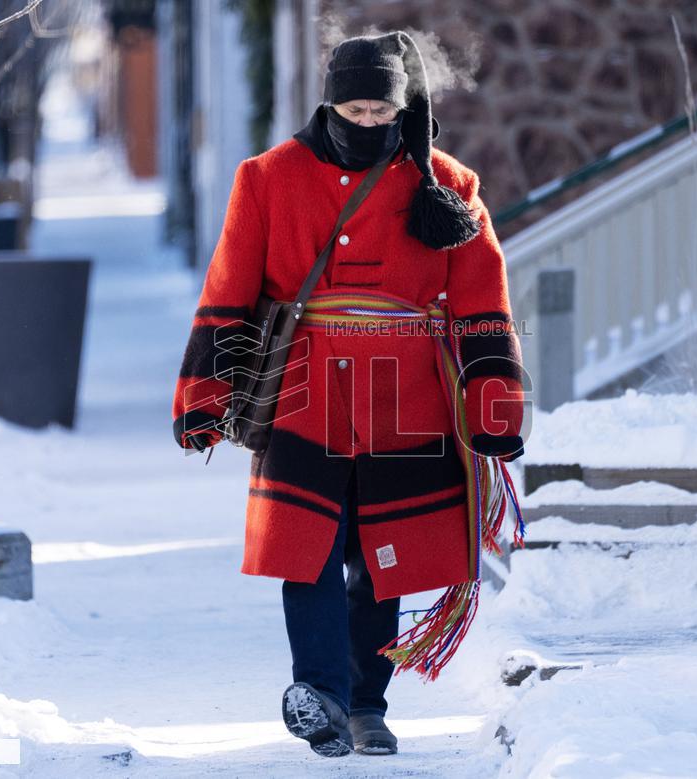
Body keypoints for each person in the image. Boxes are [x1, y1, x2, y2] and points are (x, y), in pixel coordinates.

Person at [171, 30, 526, 759]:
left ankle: (367, 706)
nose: (367, 122)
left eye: (380, 111)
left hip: (410, 402)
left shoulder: (447, 185)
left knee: (381, 557)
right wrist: (204, 396)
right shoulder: (266, 177)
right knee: (306, 551)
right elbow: (228, 291)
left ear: (402, 108)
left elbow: (483, 303)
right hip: (302, 394)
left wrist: (494, 406)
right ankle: (322, 693)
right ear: (329, 104)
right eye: (354, 110)